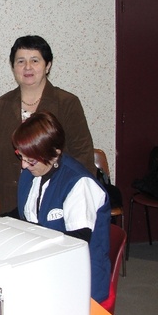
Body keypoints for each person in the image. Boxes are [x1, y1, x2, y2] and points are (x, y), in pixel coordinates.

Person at [0, 35, 96, 222]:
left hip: (56, 201)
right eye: (21, 61)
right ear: (13, 67)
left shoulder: (67, 103)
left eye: (35, 60)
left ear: (47, 65)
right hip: (12, 200)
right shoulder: (2, 104)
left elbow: (83, 154)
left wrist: (78, 196)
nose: (27, 67)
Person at [12, 111, 110, 303]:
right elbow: (27, 215)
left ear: (55, 154)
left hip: (81, 280)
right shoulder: (31, 174)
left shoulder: (79, 183)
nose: (23, 165)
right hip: (48, 269)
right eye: (20, 156)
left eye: (30, 159)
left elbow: (77, 243)